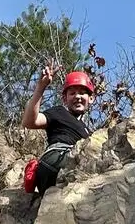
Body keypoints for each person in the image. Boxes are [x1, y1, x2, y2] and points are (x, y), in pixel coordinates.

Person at [20, 62, 95, 194]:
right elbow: (29, 122)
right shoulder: (59, 112)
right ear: (65, 99)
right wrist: (41, 87)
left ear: (91, 99)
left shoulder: (88, 132)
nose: (77, 96)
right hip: (56, 158)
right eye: (72, 93)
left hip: (52, 173)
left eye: (82, 93)